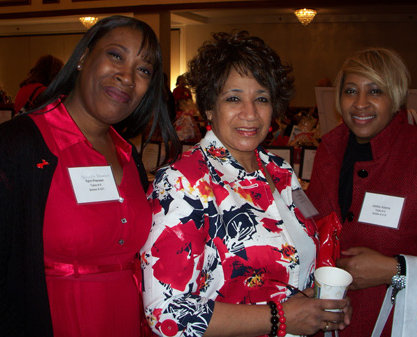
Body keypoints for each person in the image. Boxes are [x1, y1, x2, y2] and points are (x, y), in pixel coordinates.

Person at [141, 31, 352, 337]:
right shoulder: (182, 182)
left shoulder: (279, 170)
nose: (250, 113)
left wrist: (316, 303)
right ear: (210, 108)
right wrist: (280, 318)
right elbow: (167, 315)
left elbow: (291, 261)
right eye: (234, 98)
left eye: (262, 98)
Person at [0, 15, 178, 337]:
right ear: (82, 58)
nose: (127, 76)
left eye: (144, 70)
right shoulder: (16, 147)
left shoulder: (129, 156)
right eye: (116, 55)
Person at [306, 48, 417, 336]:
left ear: (395, 97)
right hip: (327, 320)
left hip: (399, 321)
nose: (360, 104)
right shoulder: (329, 149)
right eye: (350, 91)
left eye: (375, 91)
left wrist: (394, 269)